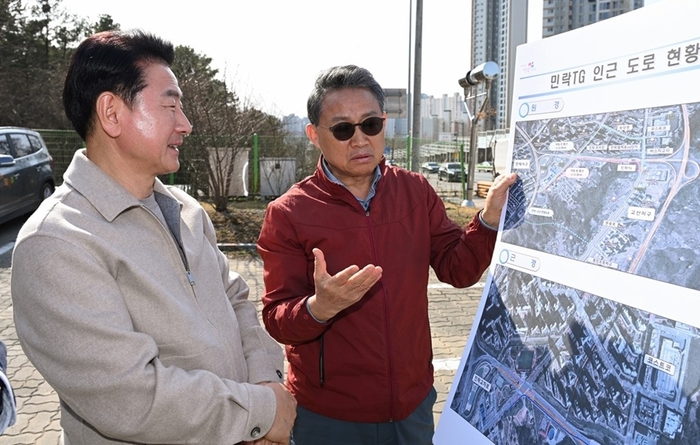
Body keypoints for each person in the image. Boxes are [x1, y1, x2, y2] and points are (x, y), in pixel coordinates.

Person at [11, 30, 296, 445]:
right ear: (111, 112)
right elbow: (128, 396)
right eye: (170, 106)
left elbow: (235, 300)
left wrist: (264, 387)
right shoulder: (56, 242)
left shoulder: (187, 211)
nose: (186, 124)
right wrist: (259, 411)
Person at [257, 64, 517, 444]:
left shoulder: (415, 191)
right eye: (343, 129)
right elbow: (277, 318)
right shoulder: (289, 213)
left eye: (371, 125)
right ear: (314, 135)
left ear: (384, 124)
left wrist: (489, 220)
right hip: (329, 416)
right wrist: (319, 307)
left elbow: (458, 269)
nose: (360, 140)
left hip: (411, 407)